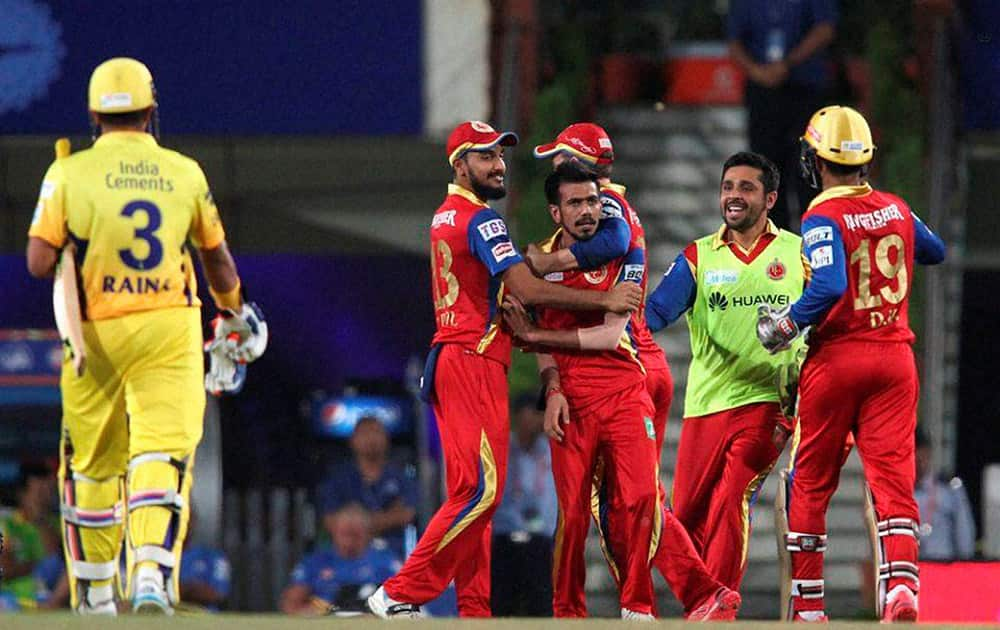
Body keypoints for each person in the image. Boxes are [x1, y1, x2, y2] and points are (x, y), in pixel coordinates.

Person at [365, 121, 642, 619]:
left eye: (500, 156)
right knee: (482, 491)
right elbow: (526, 289)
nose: (498, 166)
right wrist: (604, 297)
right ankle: (401, 591)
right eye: (485, 157)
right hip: (472, 358)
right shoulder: (481, 220)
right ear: (459, 166)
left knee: (470, 497)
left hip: (460, 357)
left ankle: (474, 610)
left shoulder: (445, 215)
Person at [25, 57, 267, 615]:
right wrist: (233, 313)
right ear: (151, 111)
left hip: (94, 330)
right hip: (168, 326)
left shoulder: (68, 173)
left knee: (90, 463)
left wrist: (66, 243)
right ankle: (152, 574)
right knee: (161, 453)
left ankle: (94, 593)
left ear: (92, 115)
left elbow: (39, 262)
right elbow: (220, 264)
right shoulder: (184, 172)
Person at [503, 162, 738, 619]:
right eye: (576, 203)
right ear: (556, 213)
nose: (588, 211)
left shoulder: (622, 249)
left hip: (624, 384)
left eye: (593, 200)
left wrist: (535, 336)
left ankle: (638, 605)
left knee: (641, 498)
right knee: (572, 515)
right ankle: (568, 611)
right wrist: (551, 386)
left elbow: (610, 336)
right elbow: (529, 321)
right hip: (571, 398)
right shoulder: (536, 265)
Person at [757, 105, 946, 622]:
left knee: (812, 481)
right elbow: (936, 251)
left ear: (816, 160)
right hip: (895, 360)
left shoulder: (821, 214)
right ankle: (901, 588)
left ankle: (809, 605)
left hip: (839, 357)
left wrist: (786, 324)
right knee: (891, 480)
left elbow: (831, 284)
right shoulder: (897, 208)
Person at [643, 151, 807, 601]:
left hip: (768, 402)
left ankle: (719, 606)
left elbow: (828, 307)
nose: (734, 196)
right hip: (707, 404)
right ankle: (703, 602)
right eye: (728, 187)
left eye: (746, 187)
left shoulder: (798, 252)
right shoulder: (698, 256)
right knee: (688, 518)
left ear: (770, 198)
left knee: (732, 496)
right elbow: (656, 311)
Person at [728, 0, 838, 229]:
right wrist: (757, 71)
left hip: (804, 90)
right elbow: (734, 41)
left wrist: (787, 63)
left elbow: (825, 29)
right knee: (765, 174)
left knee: (808, 172)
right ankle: (773, 245)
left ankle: (815, 241)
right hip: (763, 94)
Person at [490, 394, 557, 617]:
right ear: (518, 416)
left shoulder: (550, 451)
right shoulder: (500, 449)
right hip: (504, 537)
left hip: (540, 541)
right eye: (530, 414)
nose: (535, 421)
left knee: (541, 608)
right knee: (500, 605)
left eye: (538, 415)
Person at [317, 416, 416, 559]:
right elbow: (330, 520)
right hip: (347, 559)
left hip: (394, 558)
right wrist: (385, 518)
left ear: (386, 438)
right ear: (352, 440)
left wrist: (356, 523)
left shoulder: (401, 476)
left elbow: (406, 514)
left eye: (376, 432)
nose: (371, 439)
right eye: (365, 433)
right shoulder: (338, 478)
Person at [281, 504, 398, 616]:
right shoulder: (315, 562)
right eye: (344, 534)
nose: (349, 541)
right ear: (334, 532)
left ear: (368, 534)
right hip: (325, 617)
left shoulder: (385, 562)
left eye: (355, 535)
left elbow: (405, 601)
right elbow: (291, 603)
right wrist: (310, 614)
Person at [0, 463, 56, 609]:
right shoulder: (6, 523)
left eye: (49, 491)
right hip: (11, 598)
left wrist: (40, 521)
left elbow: (59, 564)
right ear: (22, 494)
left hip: (50, 597)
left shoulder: (57, 524)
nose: (45, 497)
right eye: (39, 492)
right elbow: (4, 569)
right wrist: (38, 567)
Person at [914, 430, 976, 561]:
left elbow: (965, 538)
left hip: (943, 569)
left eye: (921, 457)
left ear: (928, 453)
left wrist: (964, 566)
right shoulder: (898, 493)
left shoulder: (949, 489)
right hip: (910, 571)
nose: (917, 463)